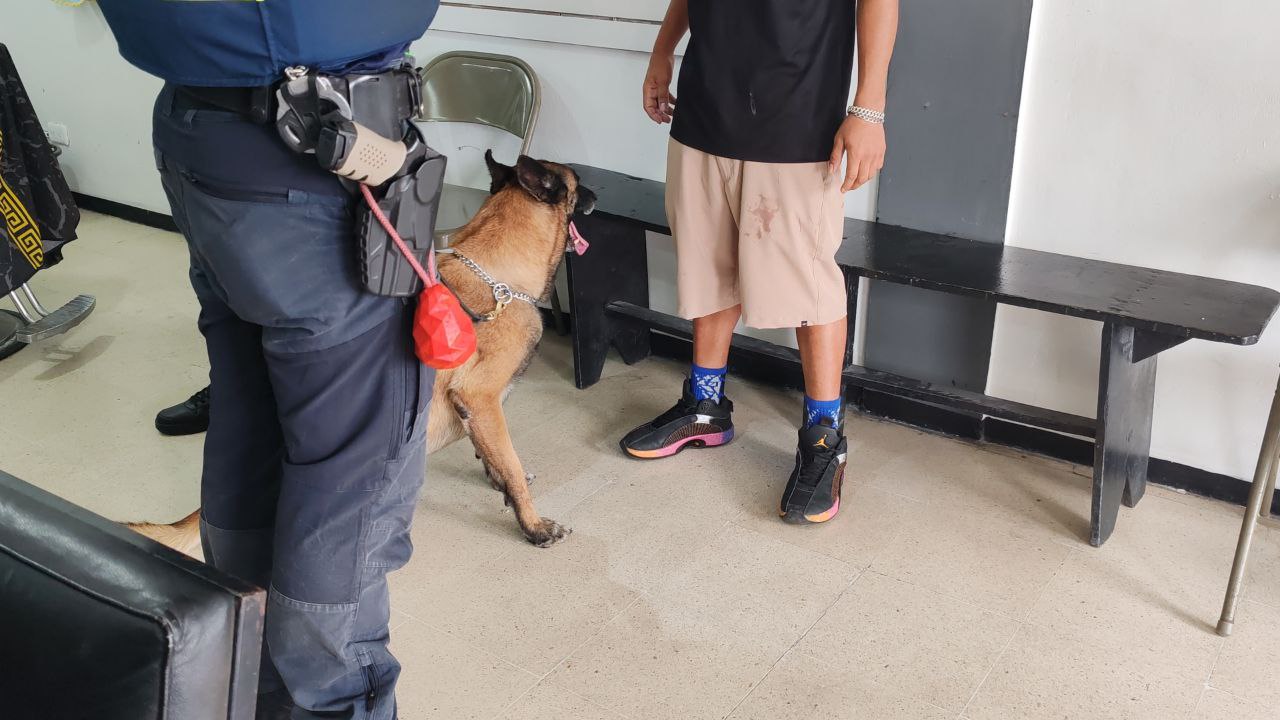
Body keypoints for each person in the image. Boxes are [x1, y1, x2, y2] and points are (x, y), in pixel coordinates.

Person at [95, 3, 441, 717]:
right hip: (310, 160)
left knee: (251, 416)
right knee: (353, 467)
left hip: (207, 139)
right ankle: (332, 700)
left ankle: (252, 674)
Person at [622, 0, 899, 524]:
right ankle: (705, 406)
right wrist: (662, 50)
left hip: (797, 115)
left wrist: (868, 109)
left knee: (809, 285)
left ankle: (824, 438)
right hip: (705, 107)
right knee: (708, 264)